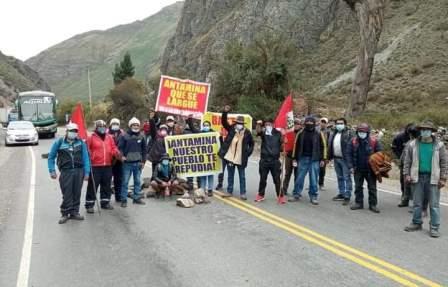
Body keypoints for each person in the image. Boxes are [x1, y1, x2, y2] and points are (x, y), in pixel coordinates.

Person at [404, 121, 447, 238]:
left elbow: (444, 163)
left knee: (434, 205)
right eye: (423, 129)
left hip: (433, 178)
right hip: (416, 177)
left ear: (432, 131)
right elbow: (407, 161)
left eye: (427, 130)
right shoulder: (412, 144)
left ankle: (434, 227)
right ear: (420, 131)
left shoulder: (440, 145)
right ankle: (416, 223)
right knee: (417, 203)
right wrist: (406, 174)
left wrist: (443, 178)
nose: (425, 131)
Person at [48, 123, 90, 224]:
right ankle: (65, 213)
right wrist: (52, 170)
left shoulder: (81, 143)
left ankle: (74, 212)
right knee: (67, 193)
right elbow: (51, 157)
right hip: (66, 172)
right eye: (71, 131)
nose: (73, 133)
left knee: (77, 192)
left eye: (75, 131)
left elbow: (86, 158)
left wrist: (87, 172)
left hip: (79, 171)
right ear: (66, 132)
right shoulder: (59, 142)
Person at [289, 116, 327, 205]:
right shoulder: (300, 133)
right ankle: (296, 194)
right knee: (299, 178)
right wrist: (294, 158)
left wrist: (323, 159)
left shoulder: (319, 133)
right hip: (302, 159)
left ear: (314, 124)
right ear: (305, 123)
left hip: (315, 159)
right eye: (307, 123)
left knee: (314, 179)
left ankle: (313, 196)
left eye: (311, 123)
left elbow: (324, 146)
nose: (309, 124)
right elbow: (296, 146)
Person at [219, 105, 254, 200]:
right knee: (230, 175)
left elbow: (252, 144)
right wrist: (225, 112)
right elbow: (223, 122)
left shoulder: (247, 132)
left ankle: (243, 193)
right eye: (238, 123)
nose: (239, 124)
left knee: (242, 176)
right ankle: (229, 191)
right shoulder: (231, 129)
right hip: (230, 157)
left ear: (243, 124)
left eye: (240, 123)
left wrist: (247, 153)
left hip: (241, 158)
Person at [85, 120, 121, 213]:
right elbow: (86, 149)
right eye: (100, 126)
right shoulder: (91, 137)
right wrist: (88, 155)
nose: (102, 128)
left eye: (104, 126)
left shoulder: (109, 137)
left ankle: (105, 202)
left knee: (106, 185)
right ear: (96, 128)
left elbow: (113, 148)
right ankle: (89, 204)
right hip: (95, 166)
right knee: (93, 186)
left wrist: (116, 152)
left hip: (107, 165)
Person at [347, 123, 383, 213]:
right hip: (357, 168)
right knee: (358, 187)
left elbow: (380, 154)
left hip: (370, 170)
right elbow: (348, 154)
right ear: (357, 132)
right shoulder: (353, 141)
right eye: (359, 131)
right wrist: (350, 166)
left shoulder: (374, 142)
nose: (361, 133)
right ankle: (359, 203)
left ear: (367, 132)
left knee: (372, 188)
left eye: (363, 132)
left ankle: (373, 205)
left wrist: (378, 167)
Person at [118, 117, 147, 207]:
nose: (135, 126)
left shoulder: (142, 136)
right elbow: (120, 148)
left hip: (138, 163)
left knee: (137, 181)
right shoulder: (124, 136)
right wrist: (121, 156)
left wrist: (143, 161)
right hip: (127, 163)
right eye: (134, 125)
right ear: (130, 126)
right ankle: (123, 200)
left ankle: (136, 198)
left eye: (137, 125)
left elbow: (144, 150)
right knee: (125, 182)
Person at [255, 119, 284, 203]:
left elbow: (281, 147)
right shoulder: (263, 133)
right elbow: (258, 131)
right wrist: (258, 124)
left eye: (269, 124)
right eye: (266, 124)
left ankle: (280, 196)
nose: (268, 126)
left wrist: (284, 143)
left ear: (273, 125)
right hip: (264, 160)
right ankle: (260, 195)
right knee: (263, 179)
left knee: (277, 179)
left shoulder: (278, 133)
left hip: (275, 161)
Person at [328, 118, 353, 205]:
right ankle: (341, 193)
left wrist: (351, 161)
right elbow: (330, 145)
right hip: (336, 158)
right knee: (339, 177)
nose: (339, 125)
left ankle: (347, 195)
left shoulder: (349, 133)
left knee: (347, 178)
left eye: (341, 123)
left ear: (345, 124)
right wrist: (329, 157)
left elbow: (352, 147)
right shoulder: (333, 133)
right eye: (338, 123)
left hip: (345, 160)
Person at [392, 123, 418, 207]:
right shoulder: (402, 139)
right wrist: (400, 160)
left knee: (416, 183)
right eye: (410, 133)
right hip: (405, 164)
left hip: (416, 166)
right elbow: (401, 153)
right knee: (405, 181)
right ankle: (405, 199)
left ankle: (416, 202)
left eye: (413, 133)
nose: (411, 135)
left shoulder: (420, 142)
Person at [281, 118, 302, 196]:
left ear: (300, 125)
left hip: (298, 158)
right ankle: (284, 189)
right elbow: (283, 143)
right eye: (295, 124)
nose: (296, 125)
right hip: (289, 156)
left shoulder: (302, 134)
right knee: (287, 174)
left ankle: (296, 191)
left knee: (298, 175)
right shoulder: (289, 133)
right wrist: (283, 148)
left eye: (298, 124)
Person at [108, 118, 124, 202]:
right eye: (113, 123)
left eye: (116, 123)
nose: (115, 125)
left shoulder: (123, 134)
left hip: (119, 160)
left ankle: (119, 196)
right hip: (109, 160)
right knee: (107, 180)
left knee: (119, 179)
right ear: (110, 124)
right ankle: (106, 198)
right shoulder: (106, 133)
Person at [318, 117, 331, 190]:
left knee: (322, 170)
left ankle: (321, 184)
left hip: (324, 153)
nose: (323, 123)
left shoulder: (328, 132)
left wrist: (327, 157)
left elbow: (329, 144)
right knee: (314, 169)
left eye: (324, 122)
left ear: (326, 124)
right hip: (316, 153)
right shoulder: (316, 130)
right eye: (322, 122)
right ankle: (313, 183)